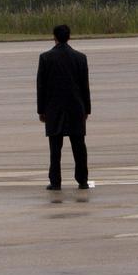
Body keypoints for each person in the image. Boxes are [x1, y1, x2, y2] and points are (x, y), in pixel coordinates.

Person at [36, 24, 91, 190]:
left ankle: (55, 181)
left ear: (54, 37)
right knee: (79, 146)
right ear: (69, 37)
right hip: (76, 107)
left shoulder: (45, 58)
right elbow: (85, 86)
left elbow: (41, 86)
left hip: (54, 108)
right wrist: (87, 109)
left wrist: (41, 110)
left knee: (55, 148)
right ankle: (82, 180)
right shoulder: (80, 58)